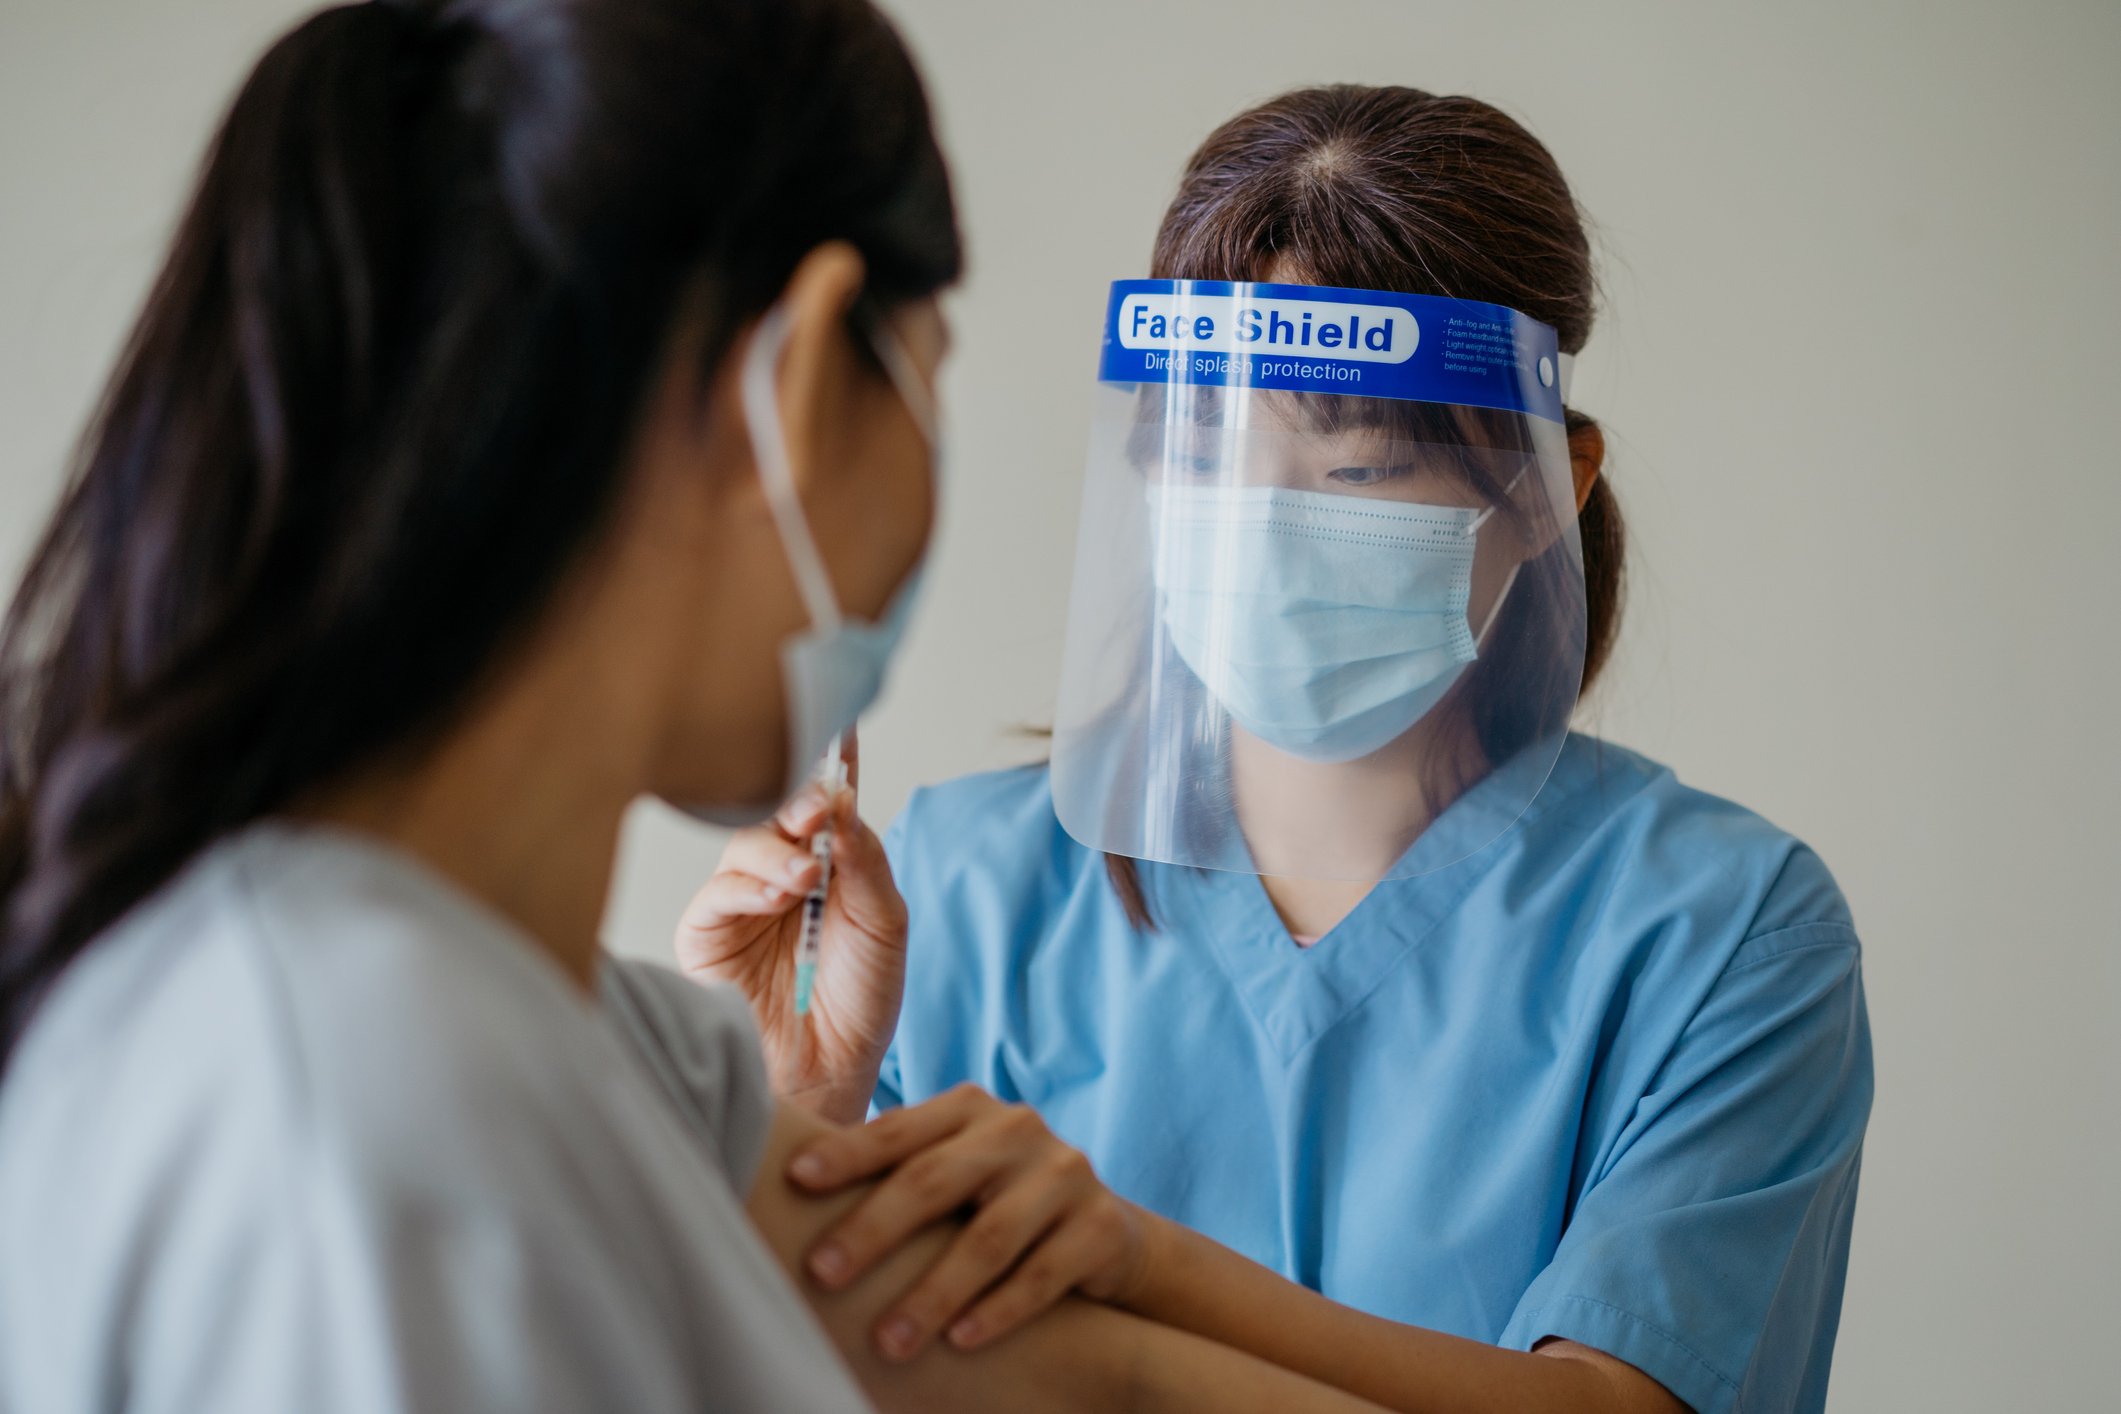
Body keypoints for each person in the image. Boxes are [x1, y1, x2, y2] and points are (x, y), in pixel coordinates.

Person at [0, 5, 1393, 1411]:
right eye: (924, 372)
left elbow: (1097, 1380)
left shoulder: (609, 1047)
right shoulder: (360, 1094)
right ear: (793, 385)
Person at [684, 86, 1873, 1414]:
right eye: (1205, 463)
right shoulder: (946, 894)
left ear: (1549, 486)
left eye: (1356, 473)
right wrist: (777, 1125)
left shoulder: (1719, 933)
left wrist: (1136, 1266)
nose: (1257, 533)